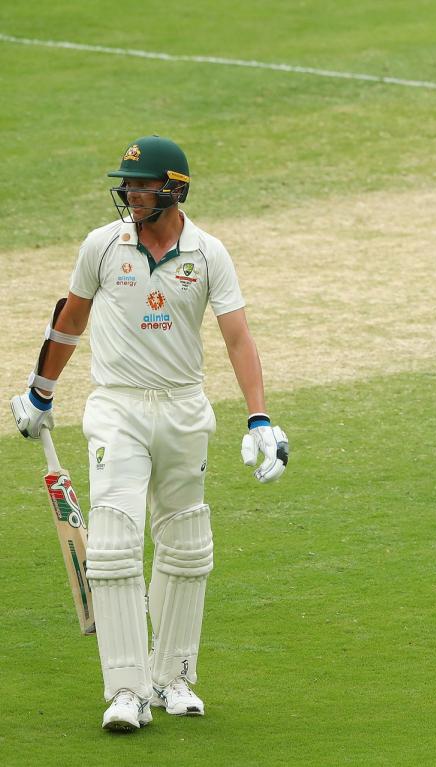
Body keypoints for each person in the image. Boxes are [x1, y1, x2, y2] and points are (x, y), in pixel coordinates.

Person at [10, 135, 289, 731]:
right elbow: (71, 320)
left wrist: (260, 417)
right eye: (128, 184)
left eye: (142, 185)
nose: (131, 193)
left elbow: (238, 337)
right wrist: (40, 391)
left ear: (175, 189)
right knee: (112, 546)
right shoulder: (102, 246)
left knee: (187, 545)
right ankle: (127, 691)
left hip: (185, 408)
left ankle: (173, 677)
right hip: (118, 407)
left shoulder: (209, 253)